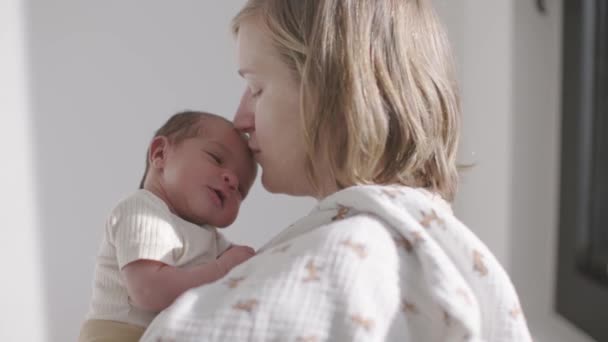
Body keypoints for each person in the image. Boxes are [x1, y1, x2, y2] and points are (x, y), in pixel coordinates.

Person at [142, 1, 533, 341]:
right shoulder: (441, 256)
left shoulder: (344, 257)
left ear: (331, 90)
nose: (240, 118)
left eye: (257, 89)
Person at [79, 111, 258, 342]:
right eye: (215, 158)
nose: (232, 181)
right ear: (160, 154)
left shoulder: (210, 237)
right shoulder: (143, 210)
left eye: (241, 190)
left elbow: (242, 268)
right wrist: (223, 269)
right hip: (120, 334)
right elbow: (149, 291)